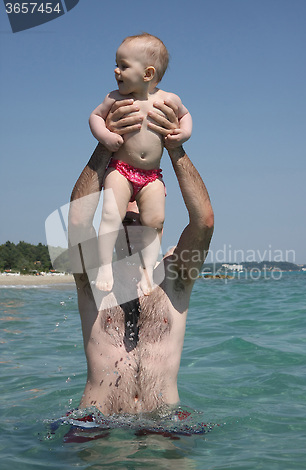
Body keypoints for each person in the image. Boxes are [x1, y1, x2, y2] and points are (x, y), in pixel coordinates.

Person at [68, 99, 213, 418]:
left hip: (166, 427)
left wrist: (175, 148)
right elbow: (78, 219)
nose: (130, 203)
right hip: (95, 426)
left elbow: (203, 221)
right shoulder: (92, 274)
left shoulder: (175, 275)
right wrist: (107, 144)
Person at [89, 33, 192, 294]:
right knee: (111, 215)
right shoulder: (114, 98)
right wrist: (105, 136)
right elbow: (95, 117)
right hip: (120, 170)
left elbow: (186, 115)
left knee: (156, 221)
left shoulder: (168, 100)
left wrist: (184, 133)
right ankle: (105, 267)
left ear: (147, 74)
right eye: (116, 64)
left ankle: (147, 271)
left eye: (124, 66)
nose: (116, 70)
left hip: (152, 176)